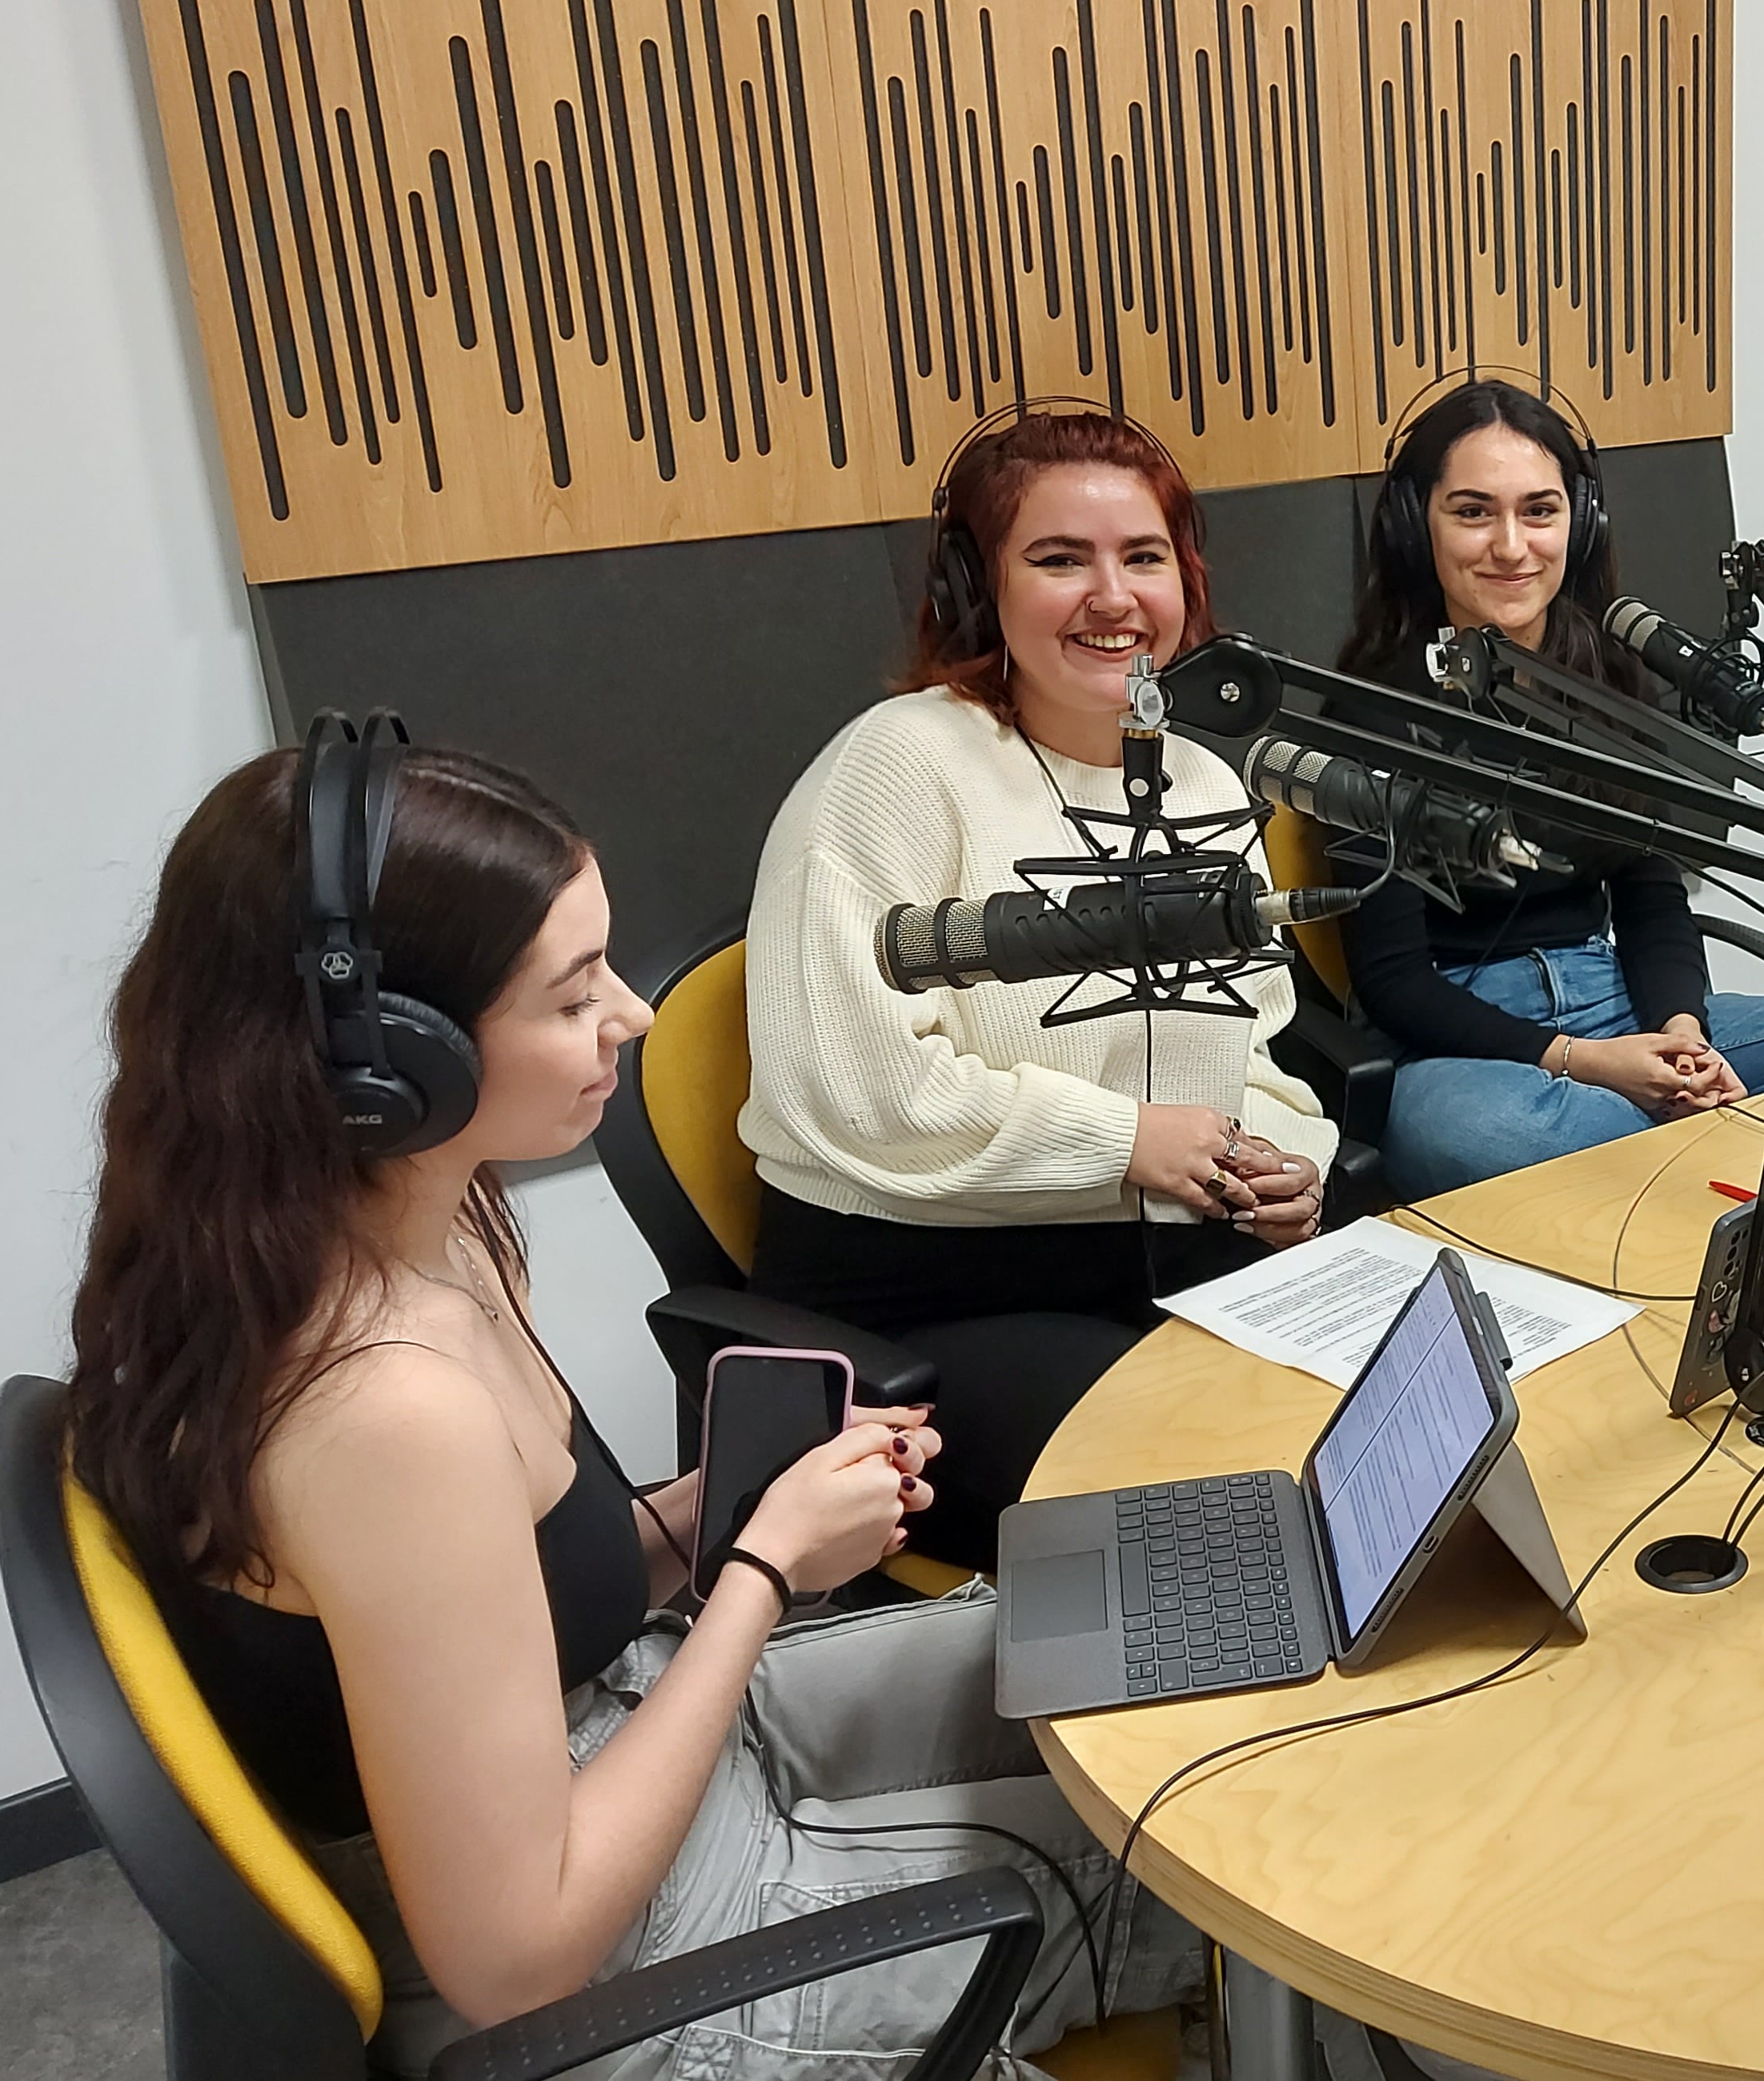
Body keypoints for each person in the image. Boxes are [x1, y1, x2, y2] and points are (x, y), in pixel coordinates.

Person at [65, 727, 1198, 2077]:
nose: (636, 1014)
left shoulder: (421, 1219)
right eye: (567, 992)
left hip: (626, 1733)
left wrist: (713, 1509)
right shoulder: (379, 1405)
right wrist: (765, 1564)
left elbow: (506, 1586)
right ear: (394, 1055)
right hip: (616, 1975)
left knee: (1159, 1653)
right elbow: (515, 1956)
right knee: (1226, 1845)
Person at [741, 407, 1334, 1570]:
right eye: (1060, 560)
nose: (1112, 596)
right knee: (1207, 1503)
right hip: (919, 1301)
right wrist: (1125, 1143)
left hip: (1157, 1251)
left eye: (1143, 558)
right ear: (981, 590)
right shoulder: (897, 767)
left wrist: (1281, 1162)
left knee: (1382, 1418)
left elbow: (1255, 1047)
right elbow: (858, 1087)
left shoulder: (1207, 782)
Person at [1330, 379, 1764, 1199]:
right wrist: (1591, 1065)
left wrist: (1681, 1033)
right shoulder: (1365, 711)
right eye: (1472, 511)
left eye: (1538, 510)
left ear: (1580, 522)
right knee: (1485, 1140)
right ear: (1418, 526)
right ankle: (1718, 1168)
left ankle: (1688, 1155)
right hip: (1464, 1045)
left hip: (1621, 1000)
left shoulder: (1603, 679)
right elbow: (1393, 983)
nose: (1511, 545)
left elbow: (1648, 887)